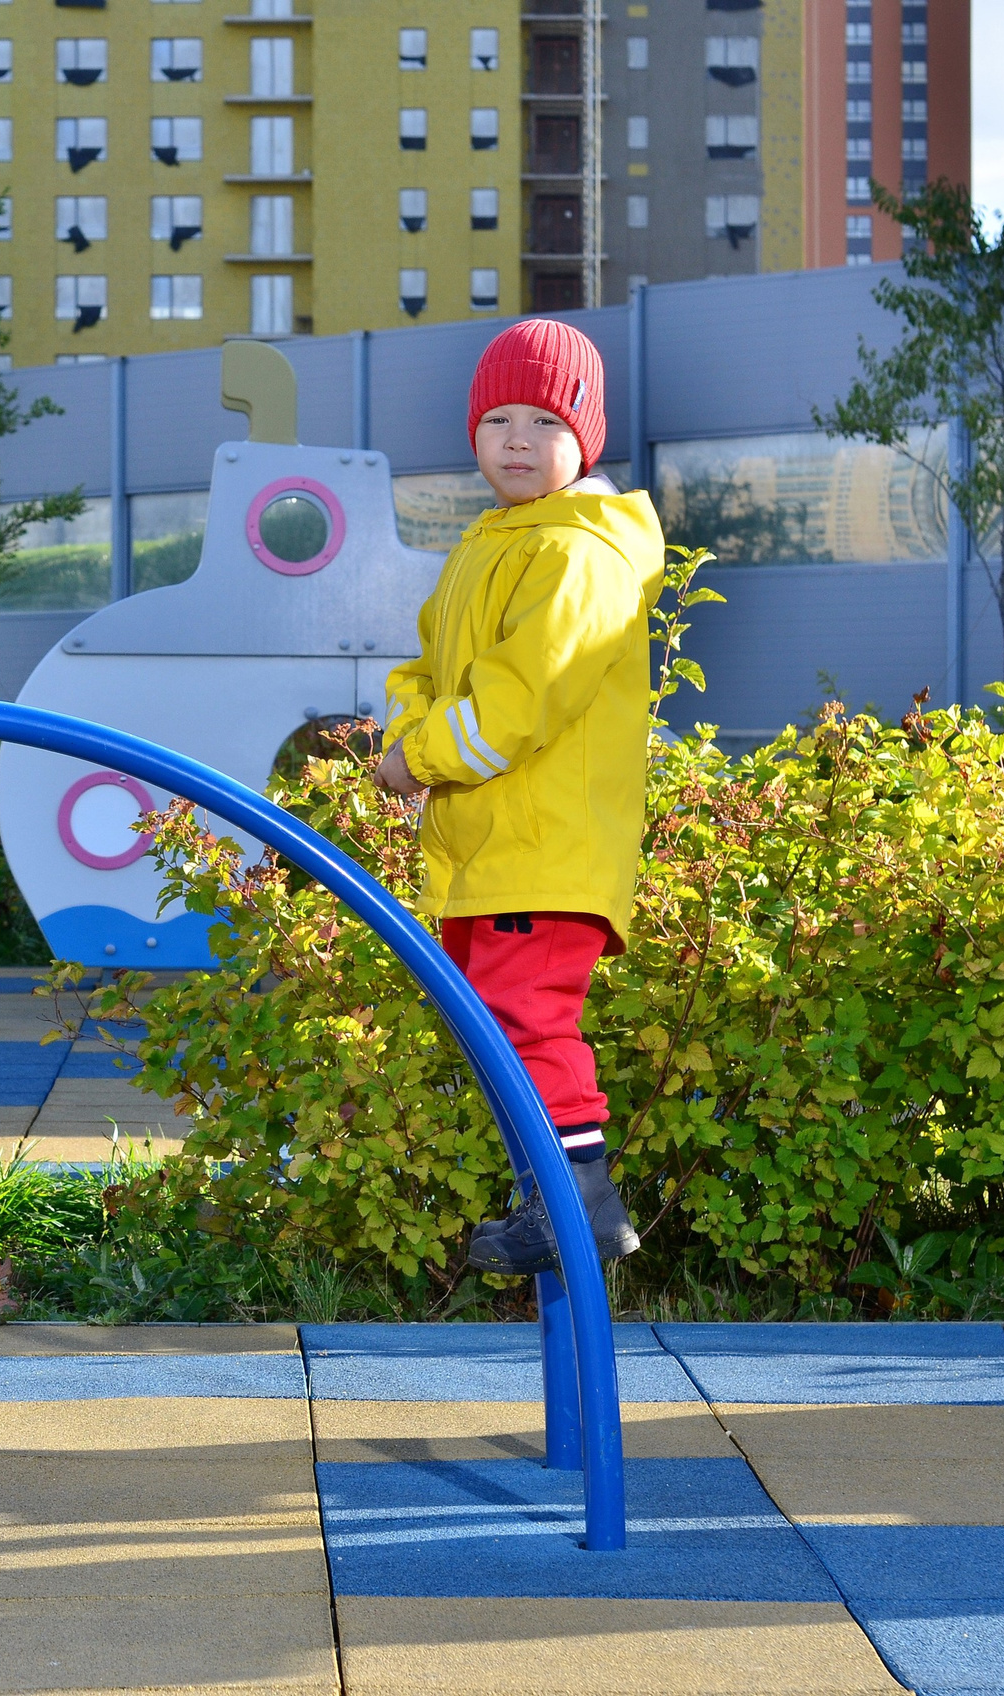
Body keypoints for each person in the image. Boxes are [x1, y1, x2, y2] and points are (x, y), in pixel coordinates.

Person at [374, 317, 665, 1278]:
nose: (516, 440)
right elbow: (425, 669)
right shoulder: (488, 545)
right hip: (488, 849)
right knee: (500, 1026)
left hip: (544, 846)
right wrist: (409, 732)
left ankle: (579, 1203)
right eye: (498, 419)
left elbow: (518, 701)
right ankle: (551, 1194)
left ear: (587, 438)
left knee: (529, 1019)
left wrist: (420, 756)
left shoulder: (581, 554)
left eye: (545, 422)